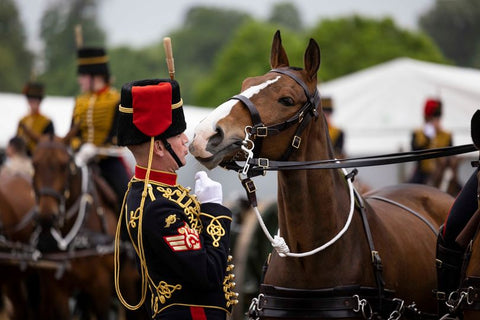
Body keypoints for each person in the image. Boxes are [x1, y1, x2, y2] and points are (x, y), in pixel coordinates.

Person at [113, 78, 238, 319]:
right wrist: (213, 209)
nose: (185, 140)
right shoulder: (160, 207)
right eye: (178, 134)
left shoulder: (148, 191)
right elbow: (208, 273)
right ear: (159, 148)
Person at [71, 46, 131, 209]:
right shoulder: (79, 102)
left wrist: (95, 149)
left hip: (108, 161)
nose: (80, 80)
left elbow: (116, 135)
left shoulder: (116, 100)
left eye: (82, 76)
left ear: (95, 76)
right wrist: (79, 148)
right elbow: (73, 133)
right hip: (80, 159)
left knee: (127, 197)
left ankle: (126, 233)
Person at [409, 98, 453, 184]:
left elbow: (450, 155)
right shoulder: (417, 133)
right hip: (422, 173)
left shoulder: (447, 135)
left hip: (442, 173)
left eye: (436, 117)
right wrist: (427, 138)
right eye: (431, 119)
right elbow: (415, 152)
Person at [16, 81, 54, 155]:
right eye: (30, 101)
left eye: (34, 101)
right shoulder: (23, 120)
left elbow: (49, 143)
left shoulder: (47, 122)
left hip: (40, 156)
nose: (32, 103)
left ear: (39, 102)